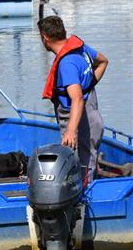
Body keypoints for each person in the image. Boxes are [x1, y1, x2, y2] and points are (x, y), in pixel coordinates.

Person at [38, 15, 108, 183]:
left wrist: (70, 130)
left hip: (76, 117)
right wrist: (88, 87)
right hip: (92, 113)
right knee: (89, 157)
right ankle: (89, 185)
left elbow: (76, 99)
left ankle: (82, 196)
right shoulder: (81, 49)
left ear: (45, 38)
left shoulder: (67, 63)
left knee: (78, 161)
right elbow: (103, 62)